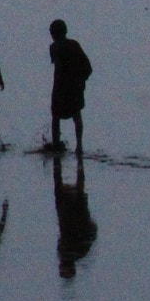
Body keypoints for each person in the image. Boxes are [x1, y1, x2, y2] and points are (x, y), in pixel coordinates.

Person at [47, 19, 92, 154]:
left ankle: (56, 145)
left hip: (61, 87)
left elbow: (60, 67)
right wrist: (82, 80)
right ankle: (79, 146)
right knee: (76, 115)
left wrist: (80, 80)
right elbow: (87, 67)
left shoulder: (54, 48)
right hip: (73, 86)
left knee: (56, 117)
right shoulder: (73, 45)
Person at [53, 152, 97, 280]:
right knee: (78, 191)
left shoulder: (76, 252)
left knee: (77, 191)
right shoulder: (79, 252)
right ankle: (79, 163)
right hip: (74, 216)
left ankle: (78, 163)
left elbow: (92, 231)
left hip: (72, 216)